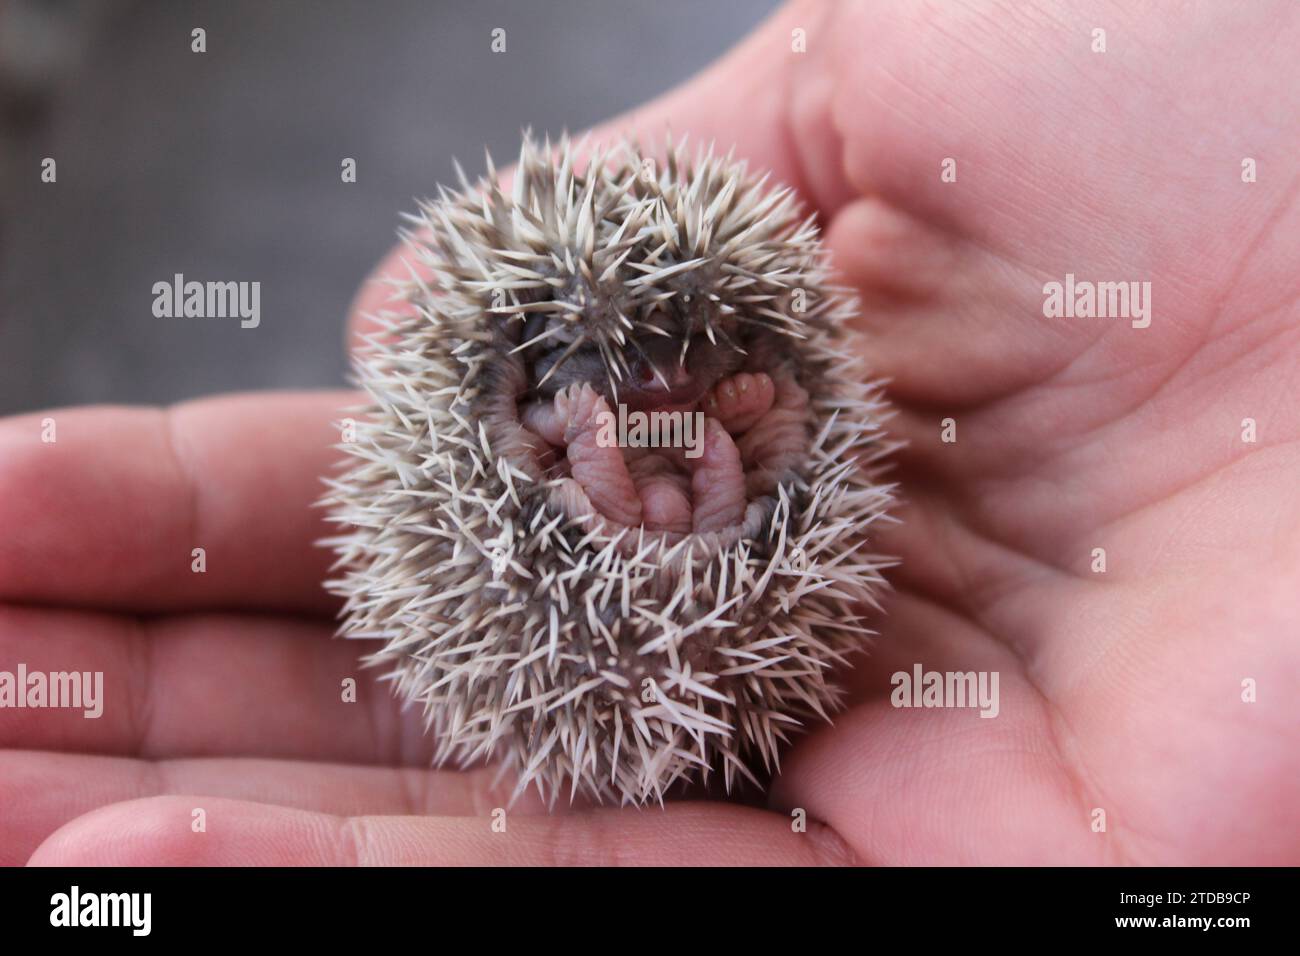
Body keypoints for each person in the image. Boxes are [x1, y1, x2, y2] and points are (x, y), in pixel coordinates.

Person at [3, 0, 1296, 865]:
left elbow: (775, 407)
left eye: (706, 360)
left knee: (710, 456)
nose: (655, 388)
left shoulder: (741, 361)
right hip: (600, 548)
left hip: (705, 506)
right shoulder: (534, 406)